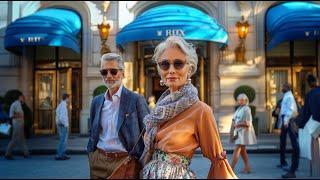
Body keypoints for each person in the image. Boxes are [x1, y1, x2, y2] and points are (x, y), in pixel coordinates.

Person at [140, 36, 237, 179]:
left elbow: (217, 159)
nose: (171, 70)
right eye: (165, 64)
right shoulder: (159, 109)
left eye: (178, 64)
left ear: (190, 69)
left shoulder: (201, 110)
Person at [87, 53, 149, 179]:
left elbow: (149, 132)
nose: (108, 76)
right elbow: (92, 130)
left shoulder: (136, 99)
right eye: (104, 72)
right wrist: (92, 155)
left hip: (124, 162)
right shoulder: (97, 101)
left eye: (113, 71)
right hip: (98, 161)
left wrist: (141, 161)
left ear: (123, 73)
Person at [291, 74, 320, 178]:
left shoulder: (310, 95)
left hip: (316, 125)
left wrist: (298, 125)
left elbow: (306, 114)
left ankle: (314, 174)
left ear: (309, 84)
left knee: (314, 151)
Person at [229, 93, 257, 174]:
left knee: (237, 149)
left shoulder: (247, 109)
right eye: (239, 100)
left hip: (243, 132)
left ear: (246, 100)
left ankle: (231, 169)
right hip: (239, 132)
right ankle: (247, 168)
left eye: (242, 100)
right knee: (242, 151)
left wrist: (237, 124)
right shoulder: (240, 109)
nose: (240, 101)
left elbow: (248, 123)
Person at [277, 83, 298, 171]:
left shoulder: (289, 96)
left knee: (292, 142)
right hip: (286, 119)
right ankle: (282, 162)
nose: (282, 88)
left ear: (287, 88)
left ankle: (289, 164)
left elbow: (291, 109)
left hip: (289, 120)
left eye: (283, 87)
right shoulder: (286, 95)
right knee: (282, 141)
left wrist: (285, 121)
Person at [5, 93, 30, 160]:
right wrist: (19, 116)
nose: (24, 99)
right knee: (14, 139)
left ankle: (26, 153)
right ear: (20, 97)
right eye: (23, 98)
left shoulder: (18, 104)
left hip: (19, 124)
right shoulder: (16, 104)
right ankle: (8, 154)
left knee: (22, 139)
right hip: (17, 124)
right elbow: (13, 115)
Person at [55, 93, 70, 160]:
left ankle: (62, 154)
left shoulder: (60, 105)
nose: (69, 99)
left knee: (63, 140)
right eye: (68, 98)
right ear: (66, 98)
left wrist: (58, 123)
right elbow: (62, 117)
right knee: (63, 140)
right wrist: (66, 124)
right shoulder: (63, 105)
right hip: (63, 125)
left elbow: (57, 114)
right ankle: (59, 155)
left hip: (60, 124)